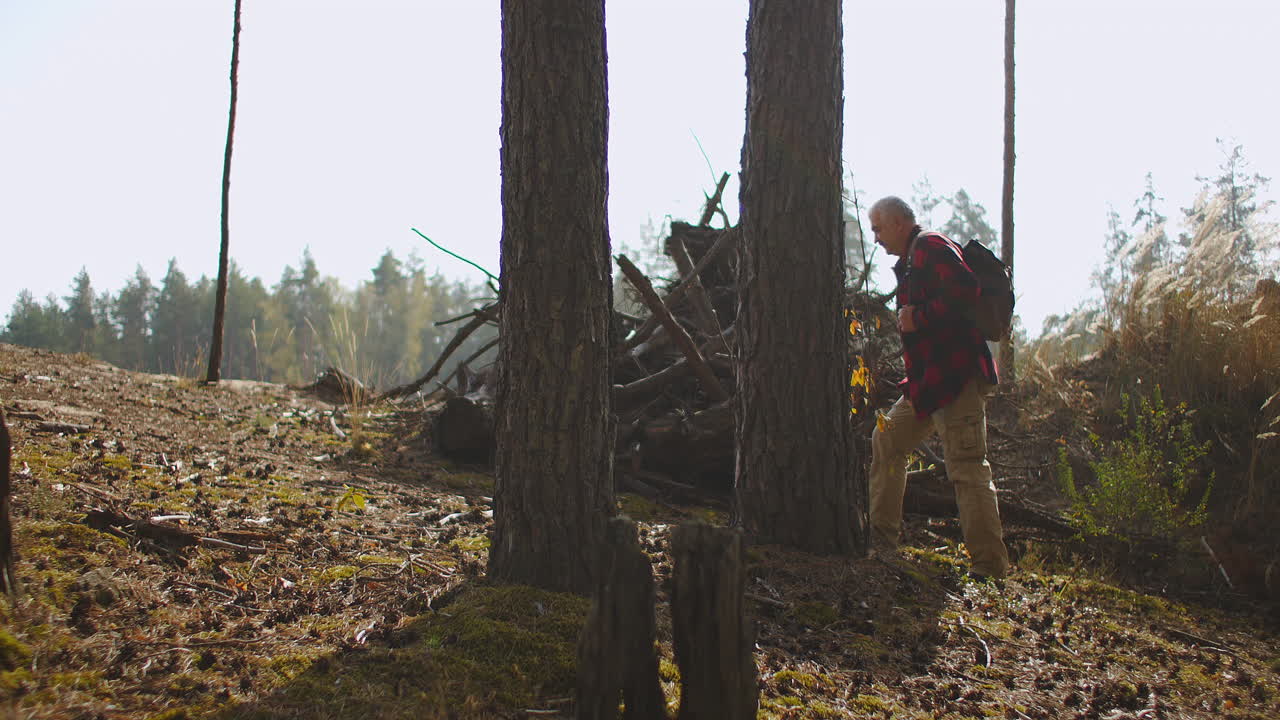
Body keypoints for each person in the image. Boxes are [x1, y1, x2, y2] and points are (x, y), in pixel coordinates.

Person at [867, 196, 1009, 580]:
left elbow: (966, 290)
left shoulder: (930, 246)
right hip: (928, 384)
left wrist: (919, 317)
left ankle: (989, 568)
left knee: (966, 468)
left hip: (957, 378)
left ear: (899, 223)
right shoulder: (914, 258)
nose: (875, 237)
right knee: (887, 439)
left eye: (878, 227)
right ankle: (881, 542)